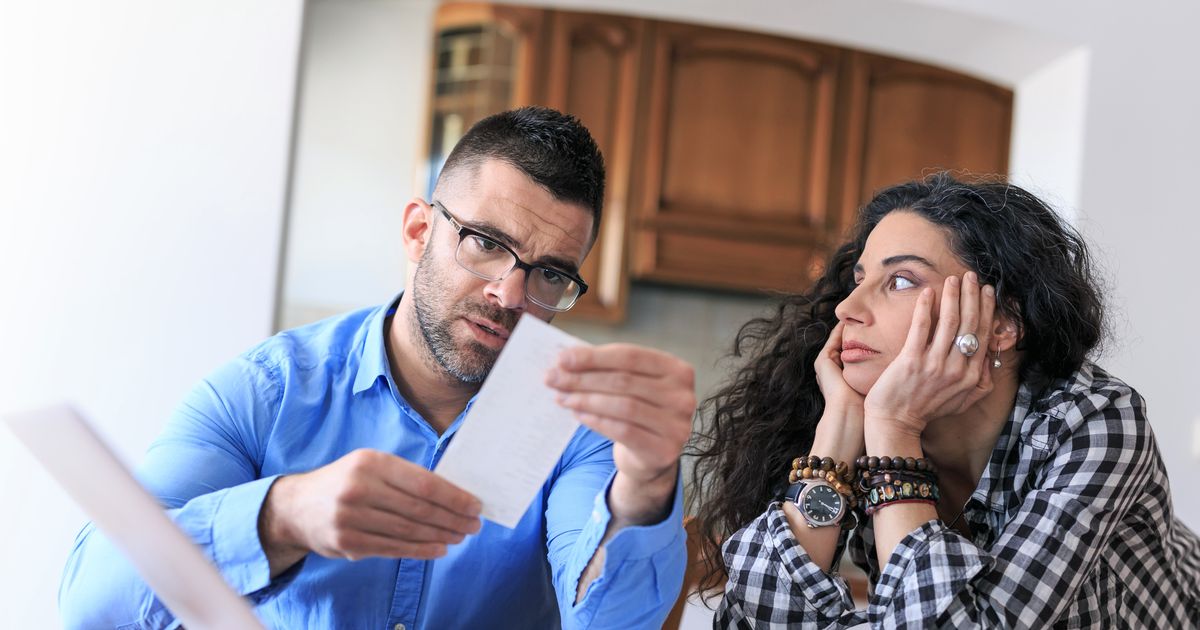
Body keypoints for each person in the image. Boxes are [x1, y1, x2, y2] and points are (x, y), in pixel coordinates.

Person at [59, 107, 695, 629]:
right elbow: (94, 604)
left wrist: (645, 483)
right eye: (485, 243)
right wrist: (282, 516)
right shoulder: (266, 392)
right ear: (419, 231)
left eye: (550, 275)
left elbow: (614, 623)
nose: (509, 295)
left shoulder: (578, 424)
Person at [689, 173, 1200, 628]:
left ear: (1002, 324)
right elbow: (750, 621)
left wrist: (895, 428)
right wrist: (839, 427)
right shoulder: (862, 418)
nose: (847, 307)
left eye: (901, 280)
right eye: (859, 280)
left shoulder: (1096, 420)